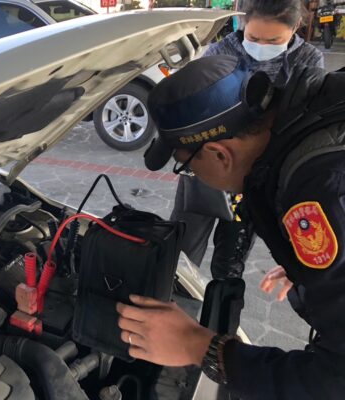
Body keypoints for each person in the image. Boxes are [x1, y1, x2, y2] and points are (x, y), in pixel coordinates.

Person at [118, 54, 345, 398]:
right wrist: (315, 263)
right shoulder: (314, 112)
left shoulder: (318, 188)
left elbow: (336, 381)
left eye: (187, 167)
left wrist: (197, 346)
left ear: (219, 154)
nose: (194, 176)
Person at [171, 0, 324, 280]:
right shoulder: (221, 52)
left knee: (231, 259)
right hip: (211, 162)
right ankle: (172, 292)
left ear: (295, 28)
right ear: (243, 24)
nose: (261, 46)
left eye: (273, 40)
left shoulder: (307, 60)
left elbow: (304, 121)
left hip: (256, 173)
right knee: (181, 249)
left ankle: (222, 304)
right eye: (253, 38)